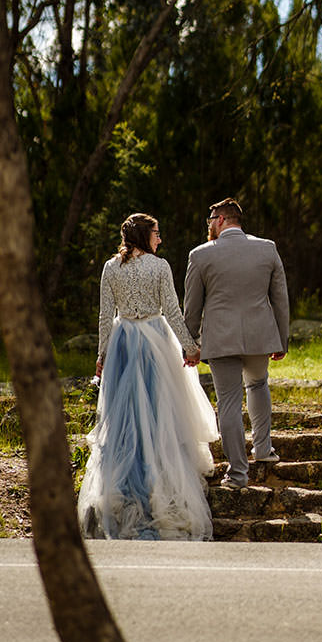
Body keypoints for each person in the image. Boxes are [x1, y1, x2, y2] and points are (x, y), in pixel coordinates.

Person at [77, 212, 218, 540]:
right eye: (156, 233)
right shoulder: (160, 266)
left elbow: (104, 314)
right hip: (155, 340)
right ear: (144, 235)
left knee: (124, 418)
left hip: (124, 339)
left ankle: (122, 488)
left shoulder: (111, 267)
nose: (160, 239)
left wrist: (102, 355)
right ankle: (157, 483)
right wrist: (190, 347)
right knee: (158, 414)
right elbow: (171, 309)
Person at [183, 197, 289, 490]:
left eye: (209, 222)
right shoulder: (267, 249)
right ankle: (264, 450)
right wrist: (282, 338)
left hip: (220, 339)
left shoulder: (200, 255)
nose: (209, 227)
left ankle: (238, 473)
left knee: (228, 401)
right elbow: (280, 299)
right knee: (258, 385)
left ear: (220, 220)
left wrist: (189, 343)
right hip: (259, 337)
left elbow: (192, 308)